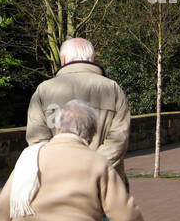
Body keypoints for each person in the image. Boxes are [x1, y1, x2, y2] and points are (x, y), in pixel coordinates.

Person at [0, 100, 149, 221]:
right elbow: (127, 218)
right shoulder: (98, 163)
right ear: (91, 135)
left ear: (57, 128)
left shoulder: (29, 158)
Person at [26, 37, 131, 186]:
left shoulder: (43, 90)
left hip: (57, 182)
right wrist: (93, 168)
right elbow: (119, 138)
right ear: (93, 59)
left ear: (63, 60)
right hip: (106, 182)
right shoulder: (112, 88)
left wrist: (62, 169)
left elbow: (37, 140)